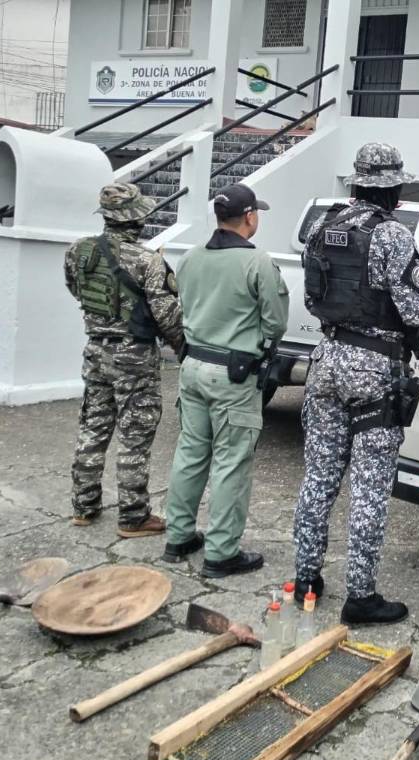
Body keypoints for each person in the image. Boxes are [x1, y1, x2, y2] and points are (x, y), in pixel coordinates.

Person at [291, 142, 419, 626]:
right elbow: (418, 310)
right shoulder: (392, 235)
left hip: (326, 359)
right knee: (370, 486)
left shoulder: (322, 227)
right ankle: (360, 596)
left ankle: (306, 577)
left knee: (319, 476)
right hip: (374, 366)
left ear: (356, 183)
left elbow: (314, 300)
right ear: (393, 188)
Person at [162, 183, 288, 578]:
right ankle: (220, 552)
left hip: (193, 368)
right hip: (233, 375)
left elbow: (183, 306)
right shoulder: (258, 263)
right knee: (231, 461)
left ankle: (179, 536)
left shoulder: (191, 258)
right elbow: (276, 323)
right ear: (249, 216)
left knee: (191, 452)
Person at [65, 182, 183, 537]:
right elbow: (168, 316)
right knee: (135, 434)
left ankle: (83, 506)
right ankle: (133, 516)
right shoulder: (149, 260)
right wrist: (182, 348)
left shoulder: (78, 251)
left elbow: (74, 288)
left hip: (96, 349)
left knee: (93, 426)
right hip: (134, 354)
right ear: (137, 218)